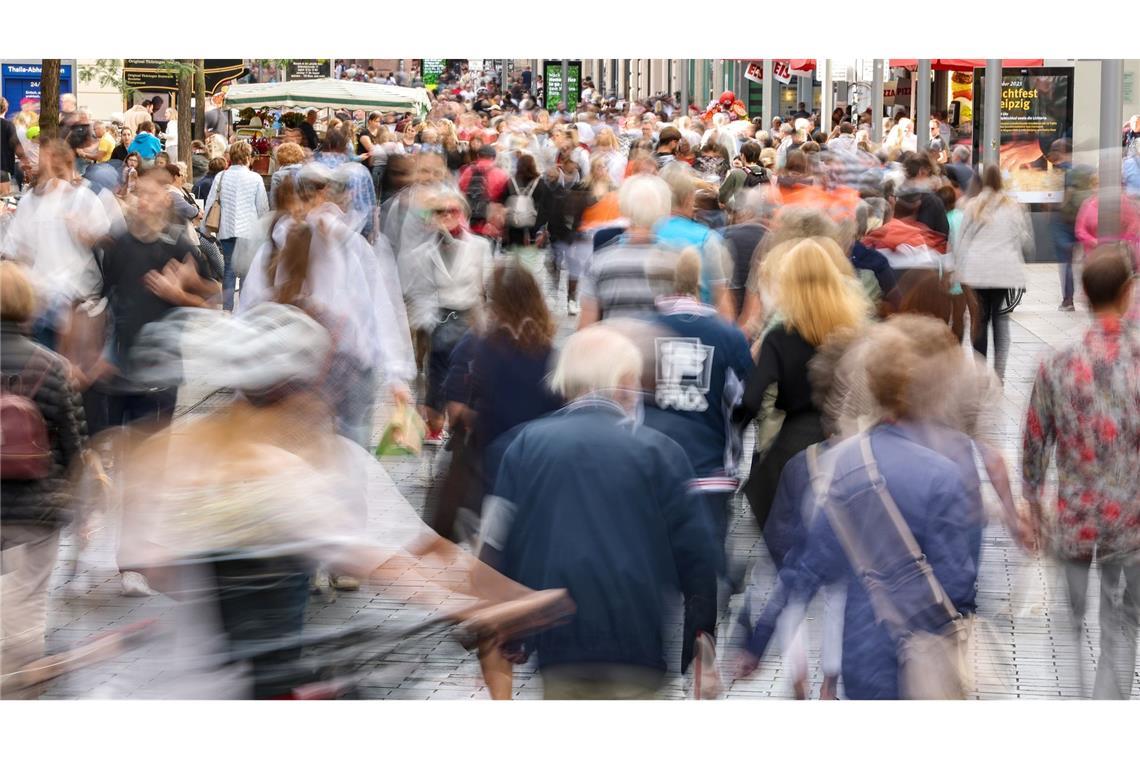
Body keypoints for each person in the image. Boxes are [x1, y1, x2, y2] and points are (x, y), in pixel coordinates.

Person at [735, 315, 981, 700]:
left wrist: (756, 642)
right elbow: (959, 581)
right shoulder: (948, 468)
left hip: (864, 653)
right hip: (926, 659)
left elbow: (804, 569)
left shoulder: (845, 466)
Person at [479, 323, 719, 699]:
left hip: (559, 648)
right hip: (638, 646)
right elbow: (698, 559)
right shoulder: (660, 452)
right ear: (623, 381)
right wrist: (699, 644)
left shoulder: (524, 445)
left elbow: (495, 545)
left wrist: (507, 630)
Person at [1022, 250, 1140, 700]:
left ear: (1085, 294)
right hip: (1130, 522)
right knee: (1122, 621)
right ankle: (1108, 707)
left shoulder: (1057, 362)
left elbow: (1036, 439)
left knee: (1071, 623)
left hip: (1074, 517)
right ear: (1127, 293)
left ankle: (1077, 701)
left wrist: (1032, 499)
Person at [735, 238, 868, 532]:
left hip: (793, 444)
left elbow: (752, 398)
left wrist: (734, 431)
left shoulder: (780, 337)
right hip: (845, 442)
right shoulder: (855, 331)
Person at [0, 261, 87, 699]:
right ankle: (16, 683)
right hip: (37, 506)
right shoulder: (51, 366)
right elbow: (74, 443)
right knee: (29, 594)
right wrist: (78, 501)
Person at [643, 249, 754, 572]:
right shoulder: (729, 336)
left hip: (650, 467)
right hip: (710, 468)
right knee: (706, 568)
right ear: (700, 284)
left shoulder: (642, 330)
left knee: (654, 561)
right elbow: (745, 402)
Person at [399, 188, 491, 444]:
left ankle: (460, 428)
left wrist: (486, 325)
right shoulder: (423, 252)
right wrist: (423, 322)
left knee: (467, 378)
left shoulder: (479, 246)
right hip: (439, 322)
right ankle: (437, 426)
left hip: (469, 321)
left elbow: (486, 288)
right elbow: (417, 291)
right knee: (437, 377)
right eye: (440, 211)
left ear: (462, 212)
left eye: (453, 210)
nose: (447, 216)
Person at [951, 165, 1031, 382]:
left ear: (982, 181)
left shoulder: (972, 206)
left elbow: (962, 240)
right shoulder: (1013, 206)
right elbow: (1023, 238)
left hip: (977, 271)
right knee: (1000, 321)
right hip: (1004, 272)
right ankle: (999, 375)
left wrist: (958, 269)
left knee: (980, 320)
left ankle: (981, 376)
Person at [577, 174, 679, 325]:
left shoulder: (600, 262)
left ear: (625, 208)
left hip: (614, 338)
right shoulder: (676, 261)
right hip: (659, 339)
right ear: (664, 209)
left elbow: (587, 325)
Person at [654, 167, 735, 319]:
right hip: (699, 323)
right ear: (687, 200)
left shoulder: (650, 232)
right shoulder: (707, 238)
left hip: (653, 325)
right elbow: (722, 299)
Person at [201, 140, 270, 311]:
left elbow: (211, 202)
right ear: (247, 157)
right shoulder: (255, 178)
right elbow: (262, 207)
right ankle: (243, 308)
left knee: (229, 270)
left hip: (227, 229)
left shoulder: (221, 176)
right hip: (249, 231)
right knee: (246, 271)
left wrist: (205, 229)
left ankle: (227, 309)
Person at [458, 144, 510, 244]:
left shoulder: (468, 171)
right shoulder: (501, 174)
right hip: (490, 224)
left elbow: (461, 190)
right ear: (494, 158)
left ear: (478, 156)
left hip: (469, 222)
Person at [269, 142, 305, 209]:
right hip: (302, 211)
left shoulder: (278, 176)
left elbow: (274, 200)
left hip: (284, 211)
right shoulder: (305, 172)